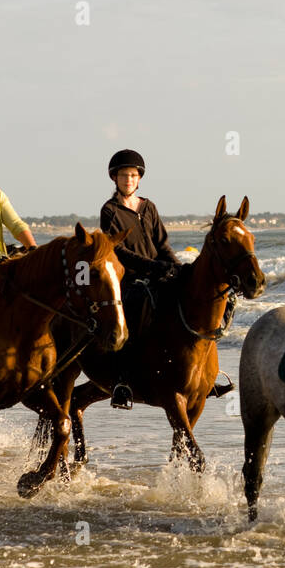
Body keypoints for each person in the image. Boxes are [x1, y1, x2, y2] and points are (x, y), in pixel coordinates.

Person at [99, 149, 182, 409]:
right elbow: (118, 250)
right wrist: (152, 267)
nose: (129, 180)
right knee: (136, 309)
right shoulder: (110, 210)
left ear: (139, 179)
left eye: (133, 176)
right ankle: (123, 381)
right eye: (124, 176)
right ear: (115, 178)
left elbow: (162, 243)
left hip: (156, 273)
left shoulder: (149, 207)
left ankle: (198, 374)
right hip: (129, 278)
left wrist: (177, 267)